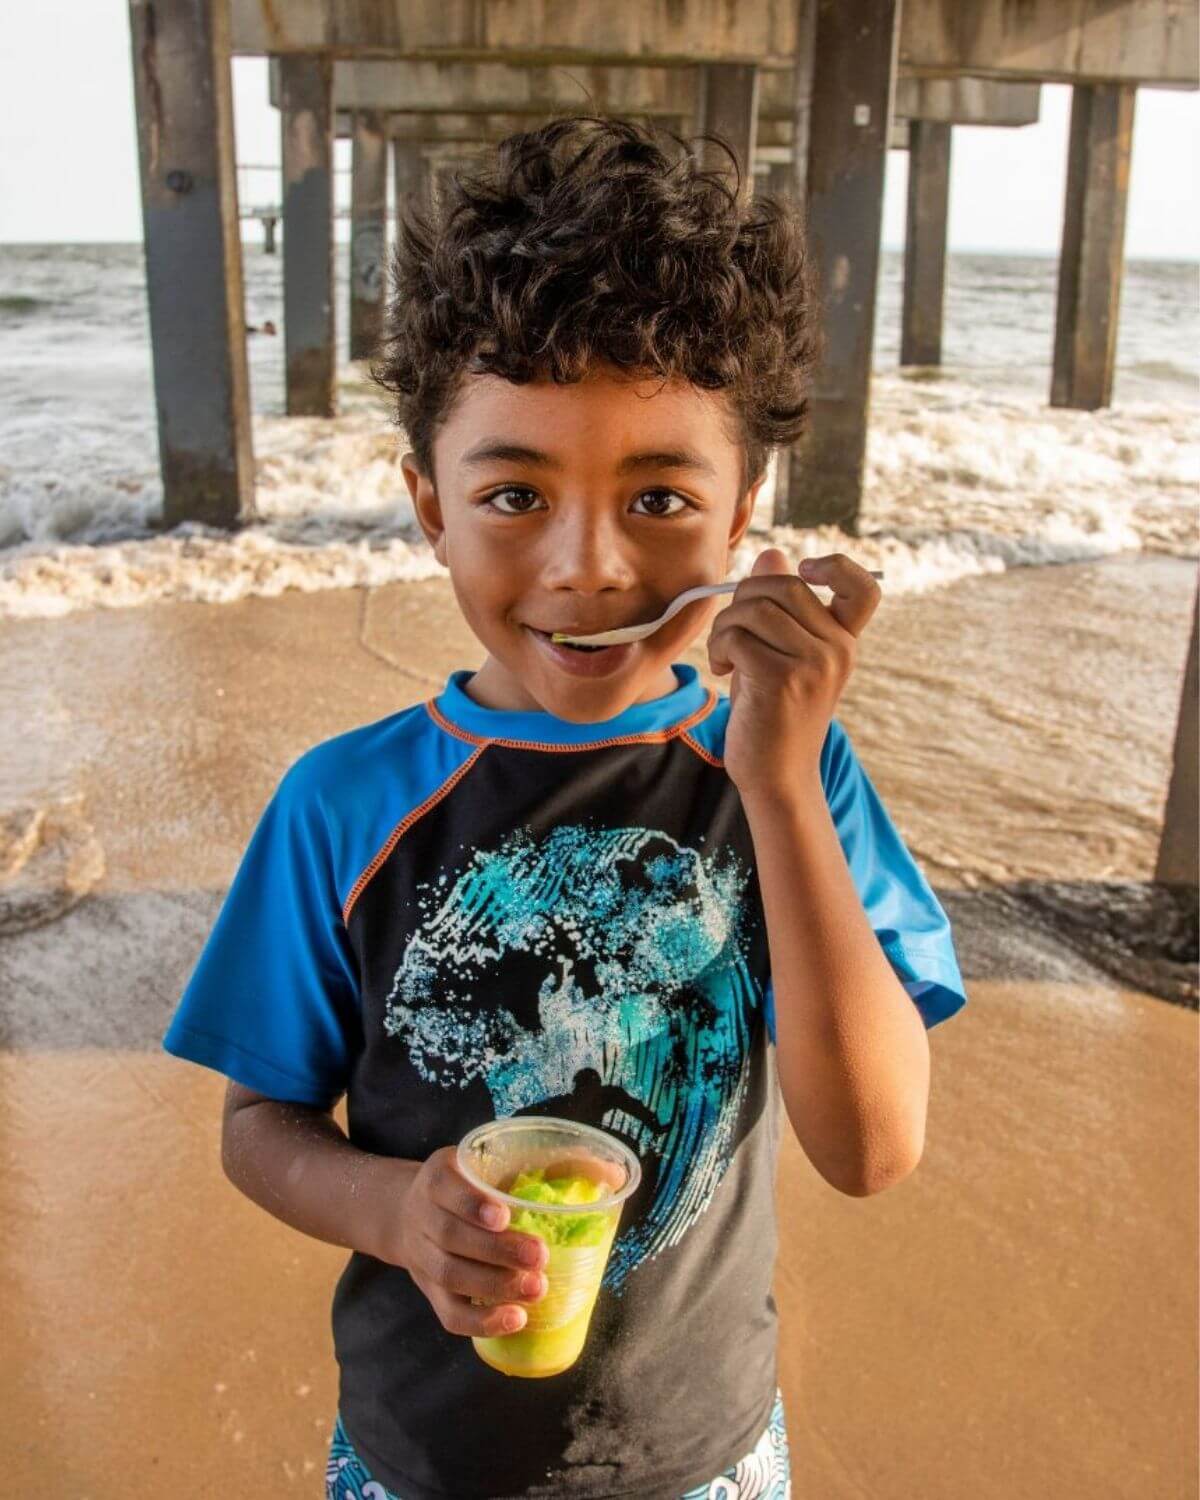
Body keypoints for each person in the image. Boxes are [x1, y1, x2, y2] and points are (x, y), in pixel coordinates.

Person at [162, 116, 968, 1500]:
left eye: (660, 495)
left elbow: (874, 1147)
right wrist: (395, 1211)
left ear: (743, 514)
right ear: (428, 504)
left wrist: (777, 780)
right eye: (514, 492)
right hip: (417, 1463)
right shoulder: (342, 806)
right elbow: (259, 1126)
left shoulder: (792, 773)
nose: (590, 567)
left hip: (704, 1457)